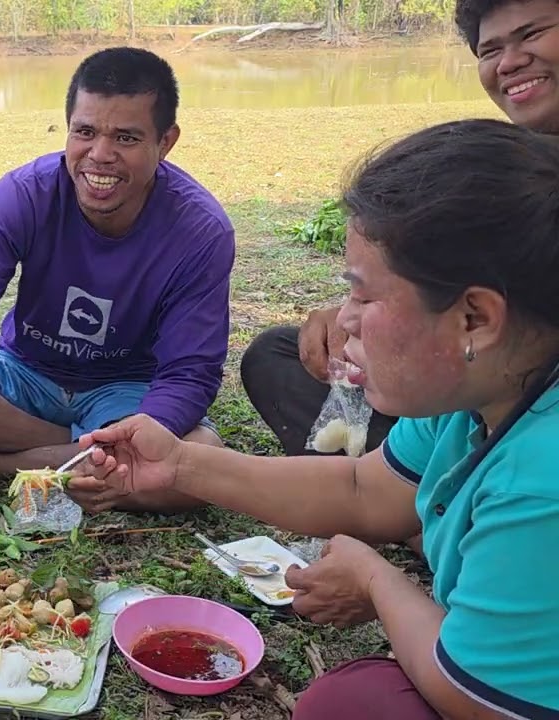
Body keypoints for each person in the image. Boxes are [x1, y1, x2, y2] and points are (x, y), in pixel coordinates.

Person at [73, 120, 559, 719]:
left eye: (363, 296)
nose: (343, 321)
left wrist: (379, 583)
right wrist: (178, 464)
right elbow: (363, 489)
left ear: (475, 319)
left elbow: (479, 700)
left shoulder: (543, 476)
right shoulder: (482, 393)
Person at [0, 47, 234, 518]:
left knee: (204, 460)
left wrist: (140, 434)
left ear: (166, 141)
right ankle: (81, 454)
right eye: (86, 132)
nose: (100, 156)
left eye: (127, 138)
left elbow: (189, 372)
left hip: (128, 392)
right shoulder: (23, 195)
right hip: (24, 376)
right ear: (68, 125)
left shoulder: (199, 229)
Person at [240, 0, 559, 457]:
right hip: (466, 376)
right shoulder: (495, 161)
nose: (509, 63)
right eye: (490, 50)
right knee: (279, 355)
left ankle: (436, 499)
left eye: (531, 35)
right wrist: (370, 312)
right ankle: (406, 485)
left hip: (521, 392)